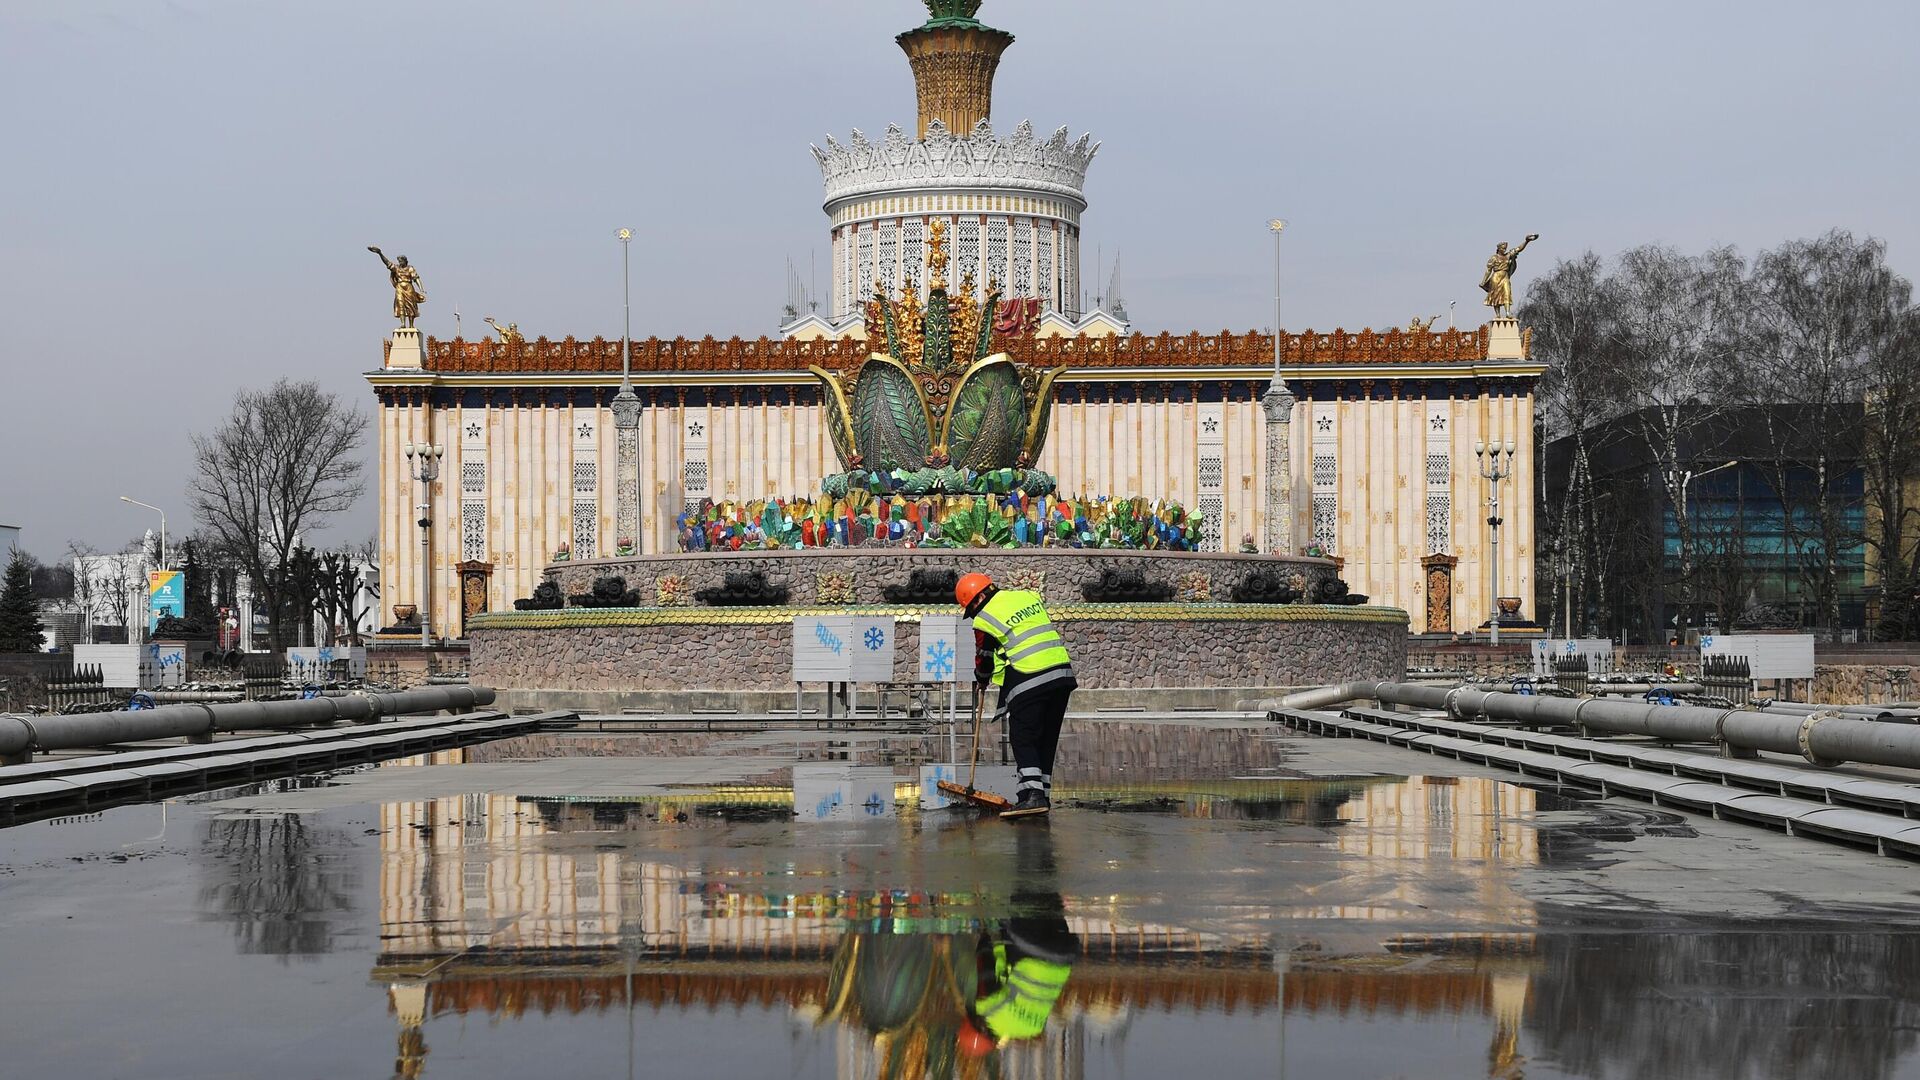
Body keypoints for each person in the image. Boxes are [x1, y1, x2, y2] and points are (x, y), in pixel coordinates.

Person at [956, 572, 1076, 818]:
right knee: (1045, 738)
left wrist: (981, 677)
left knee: (1023, 735)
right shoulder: (1026, 596)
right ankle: (1040, 795)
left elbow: (985, 657)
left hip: (1030, 674)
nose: (974, 616)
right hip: (1061, 674)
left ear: (978, 599)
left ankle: (1032, 796)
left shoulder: (985, 618)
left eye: (972, 609)